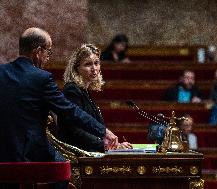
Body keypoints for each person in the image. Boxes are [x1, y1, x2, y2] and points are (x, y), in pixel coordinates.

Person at [0, 28, 116, 189]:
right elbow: (70, 111)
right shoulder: (42, 78)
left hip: (3, 150)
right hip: (31, 150)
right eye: (48, 52)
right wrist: (103, 131)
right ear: (38, 52)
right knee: (63, 169)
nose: (48, 57)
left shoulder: (1, 72)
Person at [58, 44, 132, 152]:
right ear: (76, 68)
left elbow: (94, 127)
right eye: (88, 64)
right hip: (78, 154)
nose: (94, 68)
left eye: (96, 63)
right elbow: (73, 130)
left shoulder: (84, 91)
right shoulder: (72, 90)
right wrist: (103, 145)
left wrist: (114, 144)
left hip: (88, 150)